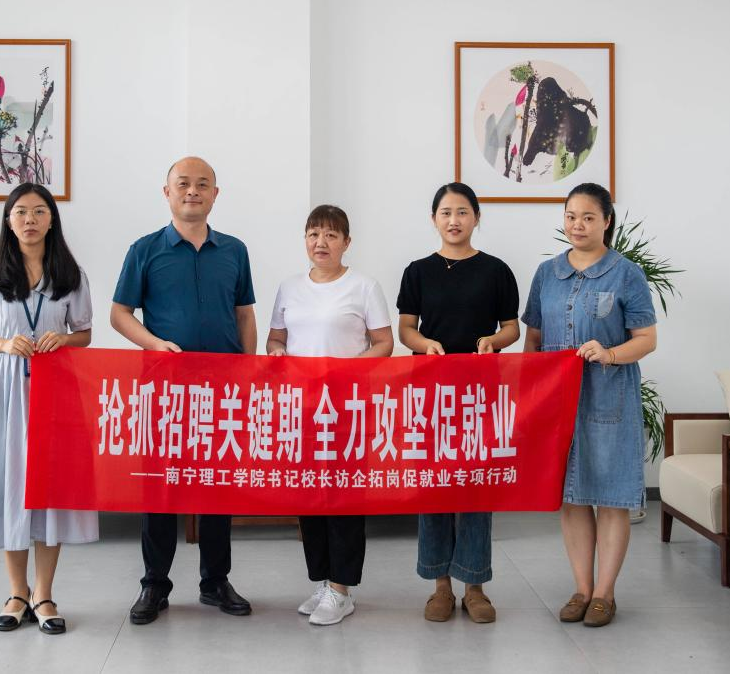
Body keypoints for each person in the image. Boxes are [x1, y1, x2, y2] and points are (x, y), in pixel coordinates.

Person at [110, 156, 257, 625]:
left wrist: (249, 372)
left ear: (215, 194)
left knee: (217, 486)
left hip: (223, 390)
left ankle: (215, 581)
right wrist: (155, 344)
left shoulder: (234, 250)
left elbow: (245, 315)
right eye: (183, 184)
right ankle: (155, 584)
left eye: (202, 184)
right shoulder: (145, 249)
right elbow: (119, 314)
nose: (192, 191)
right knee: (160, 487)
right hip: (166, 390)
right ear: (167, 192)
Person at [0, 182, 98, 636]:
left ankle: (44, 593)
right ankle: (16, 592)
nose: (30, 220)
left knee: (50, 486)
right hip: (7, 390)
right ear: (8, 220)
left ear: (52, 220)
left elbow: (84, 333)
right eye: (21, 212)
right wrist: (4, 344)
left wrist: (65, 338)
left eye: (39, 211)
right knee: (11, 484)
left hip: (56, 389)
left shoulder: (70, 274)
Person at [521, 182, 657, 629]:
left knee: (611, 498)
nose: (577, 225)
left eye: (588, 217)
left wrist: (610, 353)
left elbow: (646, 339)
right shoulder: (547, 273)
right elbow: (534, 339)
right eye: (571, 216)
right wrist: (532, 391)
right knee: (572, 497)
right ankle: (581, 589)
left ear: (606, 222)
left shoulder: (626, 274)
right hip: (557, 402)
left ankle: (604, 594)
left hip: (608, 397)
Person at [396, 182, 520, 624]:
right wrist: (424, 344)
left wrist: (493, 340)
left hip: (480, 395)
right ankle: (440, 586)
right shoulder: (417, 271)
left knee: (475, 486)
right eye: (446, 212)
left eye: (463, 212)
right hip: (429, 394)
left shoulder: (496, 270)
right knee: (434, 486)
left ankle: (475, 586)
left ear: (476, 218)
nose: (454, 220)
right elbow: (406, 329)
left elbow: (512, 328)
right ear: (434, 219)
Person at [266, 205, 393, 626]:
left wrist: (346, 371)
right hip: (302, 408)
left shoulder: (364, 286)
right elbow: (275, 338)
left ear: (346, 242)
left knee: (343, 495)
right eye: (313, 234)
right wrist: (277, 353)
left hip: (346, 409)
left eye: (331, 235)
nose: (320, 243)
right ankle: (322, 581)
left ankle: (341, 588)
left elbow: (383, 343)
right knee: (311, 494)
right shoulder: (289, 287)